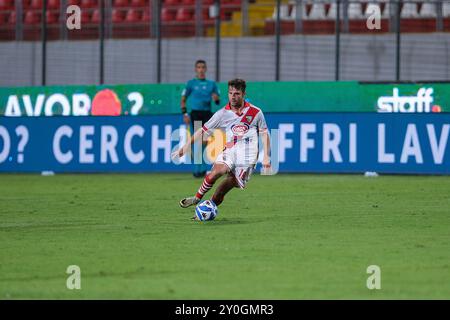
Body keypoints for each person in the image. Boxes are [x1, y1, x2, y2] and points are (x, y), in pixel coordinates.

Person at [173, 78, 272, 220]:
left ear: (243, 94)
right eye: (230, 93)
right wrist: (186, 146)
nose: (233, 96)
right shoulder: (221, 114)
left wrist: (267, 156)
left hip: (248, 157)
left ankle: (209, 208)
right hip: (230, 150)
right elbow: (203, 130)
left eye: (237, 93)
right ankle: (196, 198)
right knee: (217, 172)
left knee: (222, 191)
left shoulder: (256, 112)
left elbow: (264, 134)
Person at [181, 60, 220, 178]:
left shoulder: (211, 84)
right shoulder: (191, 84)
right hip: (196, 114)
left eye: (203, 67)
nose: (201, 69)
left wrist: (215, 98)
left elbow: (217, 101)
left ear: (206, 69)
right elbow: (183, 99)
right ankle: (198, 170)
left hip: (207, 115)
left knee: (204, 141)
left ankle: (202, 169)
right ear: (195, 69)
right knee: (197, 141)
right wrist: (185, 114)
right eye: (199, 67)